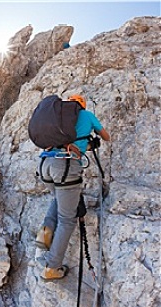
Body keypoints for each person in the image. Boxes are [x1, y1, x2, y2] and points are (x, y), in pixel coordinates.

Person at [36, 94, 110, 280]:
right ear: (82, 105)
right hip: (66, 165)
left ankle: (45, 231)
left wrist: (84, 142)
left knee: (58, 197)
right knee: (67, 220)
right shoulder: (86, 115)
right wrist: (92, 138)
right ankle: (52, 267)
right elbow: (106, 137)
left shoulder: (60, 120)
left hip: (45, 165)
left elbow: (71, 139)